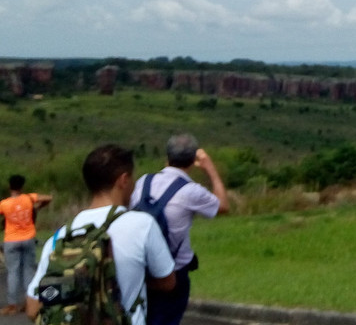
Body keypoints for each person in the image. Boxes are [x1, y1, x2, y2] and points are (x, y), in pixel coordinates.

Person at [25, 144, 175, 325]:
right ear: (123, 180)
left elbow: (33, 307)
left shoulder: (60, 237)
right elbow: (168, 282)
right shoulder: (143, 224)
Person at [131, 134, 228, 325]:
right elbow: (223, 206)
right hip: (174, 274)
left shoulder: (143, 182)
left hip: (140, 269)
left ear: (167, 157)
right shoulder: (191, 191)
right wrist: (211, 169)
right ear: (192, 161)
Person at [0, 175, 52, 315]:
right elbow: (48, 198)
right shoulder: (29, 198)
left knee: (13, 272)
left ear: (10, 187)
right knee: (28, 271)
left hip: (11, 240)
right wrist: (37, 208)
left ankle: (12, 304)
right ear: (22, 186)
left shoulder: (4, 204)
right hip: (28, 238)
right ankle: (30, 302)